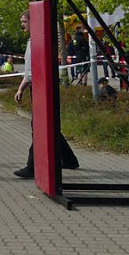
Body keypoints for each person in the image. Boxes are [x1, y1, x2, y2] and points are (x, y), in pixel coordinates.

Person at [13, 10, 79, 178]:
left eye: (24, 21)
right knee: (49, 125)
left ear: (32, 22)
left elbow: (36, 70)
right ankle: (69, 160)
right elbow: (29, 71)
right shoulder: (32, 41)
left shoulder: (40, 41)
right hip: (37, 86)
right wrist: (21, 88)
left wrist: (26, 86)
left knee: (39, 126)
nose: (22, 24)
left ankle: (32, 167)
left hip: (42, 87)